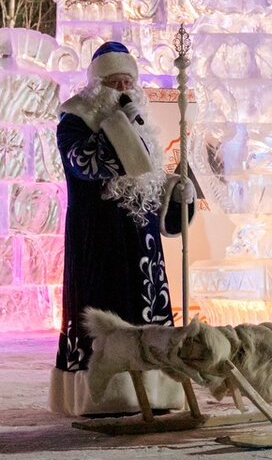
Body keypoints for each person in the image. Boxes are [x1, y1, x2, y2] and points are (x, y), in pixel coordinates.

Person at [50, 41, 196, 416]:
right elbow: (87, 163)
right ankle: (108, 394)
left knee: (146, 310)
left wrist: (175, 192)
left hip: (141, 240)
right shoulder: (74, 120)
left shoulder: (141, 124)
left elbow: (148, 178)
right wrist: (120, 123)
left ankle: (156, 391)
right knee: (106, 312)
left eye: (128, 82)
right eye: (114, 83)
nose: (123, 91)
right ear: (97, 86)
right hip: (99, 239)